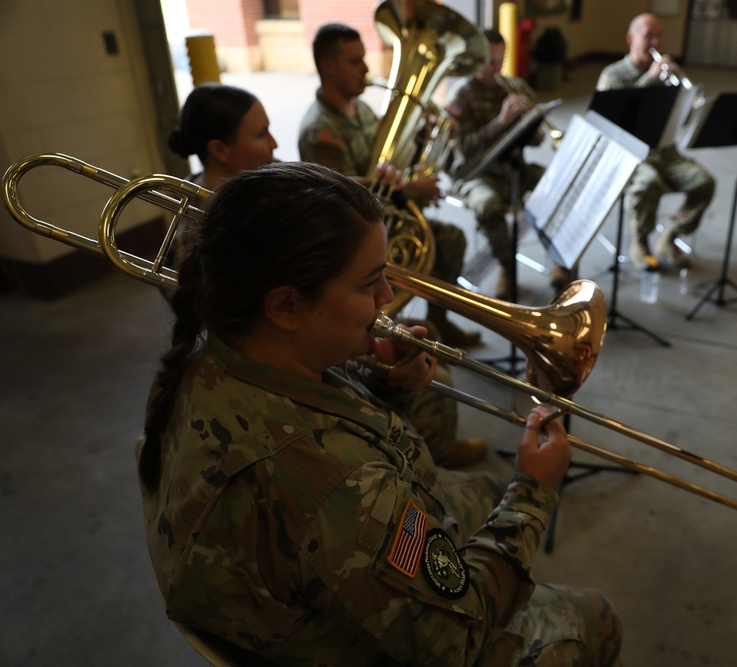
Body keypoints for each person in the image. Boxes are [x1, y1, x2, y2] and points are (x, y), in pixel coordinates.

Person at [137, 161, 623, 666]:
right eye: (369, 283)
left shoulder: (219, 345)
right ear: (285, 308)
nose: (389, 297)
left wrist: (383, 389)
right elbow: (458, 640)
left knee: (480, 490)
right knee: (594, 616)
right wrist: (532, 494)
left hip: (301, 575)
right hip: (364, 638)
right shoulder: (337, 486)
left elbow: (324, 432)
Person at [298, 22, 480, 349]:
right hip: (353, 238)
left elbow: (389, 163)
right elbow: (342, 204)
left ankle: (439, 321)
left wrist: (428, 136)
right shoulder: (320, 131)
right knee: (436, 243)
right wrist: (411, 190)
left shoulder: (363, 109)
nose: (366, 69)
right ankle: (383, 326)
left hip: (383, 215)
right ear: (327, 66)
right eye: (355, 61)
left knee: (450, 239)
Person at [597, 14, 716, 273]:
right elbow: (616, 118)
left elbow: (681, 120)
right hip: (631, 153)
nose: (655, 41)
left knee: (704, 182)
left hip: (664, 150)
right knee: (648, 183)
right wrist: (650, 80)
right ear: (631, 39)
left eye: (659, 35)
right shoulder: (614, 74)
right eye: (648, 35)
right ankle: (639, 243)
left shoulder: (665, 74)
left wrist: (683, 97)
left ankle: (670, 237)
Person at [444, 28, 549, 300]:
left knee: (555, 186)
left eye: (500, 60)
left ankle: (561, 263)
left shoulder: (515, 87)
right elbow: (461, 153)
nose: (495, 68)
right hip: (475, 174)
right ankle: (506, 267)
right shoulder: (460, 97)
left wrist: (530, 122)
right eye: (490, 61)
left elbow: (538, 141)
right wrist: (500, 123)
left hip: (512, 167)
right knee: (488, 205)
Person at [167, 83, 277, 263]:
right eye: (261, 134)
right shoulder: (198, 225)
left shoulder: (264, 175)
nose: (274, 144)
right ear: (219, 150)